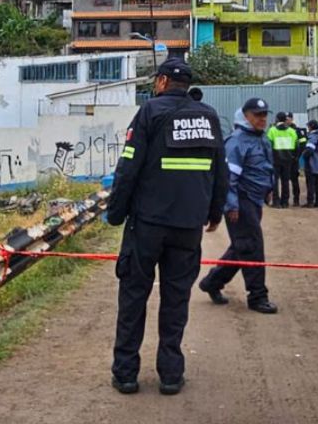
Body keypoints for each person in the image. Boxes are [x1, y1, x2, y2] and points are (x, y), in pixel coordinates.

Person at [107, 58, 228, 397]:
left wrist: (116, 213)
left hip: (147, 225)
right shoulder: (208, 117)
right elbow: (220, 170)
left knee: (133, 297)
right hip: (188, 226)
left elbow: (128, 167)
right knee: (176, 301)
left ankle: (126, 374)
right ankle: (171, 375)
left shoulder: (150, 113)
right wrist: (215, 212)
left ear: (161, 82)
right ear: (186, 85)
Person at [198, 97, 279, 315]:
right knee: (252, 248)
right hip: (241, 203)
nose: (262, 119)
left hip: (253, 200)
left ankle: (212, 282)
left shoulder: (260, 138)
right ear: (245, 116)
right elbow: (229, 179)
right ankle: (257, 296)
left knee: (242, 247)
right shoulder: (236, 141)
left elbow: (265, 167)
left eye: (264, 115)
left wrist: (269, 189)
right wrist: (231, 205)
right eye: (257, 115)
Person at [267, 112, 299, 207]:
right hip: (288, 160)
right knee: (285, 181)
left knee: (275, 181)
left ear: (277, 119)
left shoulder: (272, 130)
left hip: (275, 159)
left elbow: (268, 146)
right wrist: (294, 157)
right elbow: (296, 146)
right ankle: (285, 202)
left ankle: (276, 202)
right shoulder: (292, 131)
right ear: (285, 120)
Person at [302, 119, 318, 208]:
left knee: (311, 184)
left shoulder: (313, 137)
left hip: (312, 164)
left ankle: (310, 202)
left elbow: (309, 150)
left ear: (311, 127)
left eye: (308, 126)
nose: (307, 128)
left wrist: (304, 156)